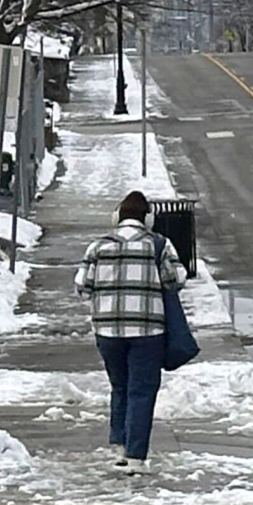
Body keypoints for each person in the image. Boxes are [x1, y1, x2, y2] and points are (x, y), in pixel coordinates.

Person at [74, 191, 186, 473]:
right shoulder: (158, 244)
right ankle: (136, 456)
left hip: (108, 331)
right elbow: (176, 279)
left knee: (119, 385)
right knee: (142, 389)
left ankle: (119, 445)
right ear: (148, 218)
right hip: (148, 330)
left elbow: (82, 286)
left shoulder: (97, 247)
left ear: (117, 217)